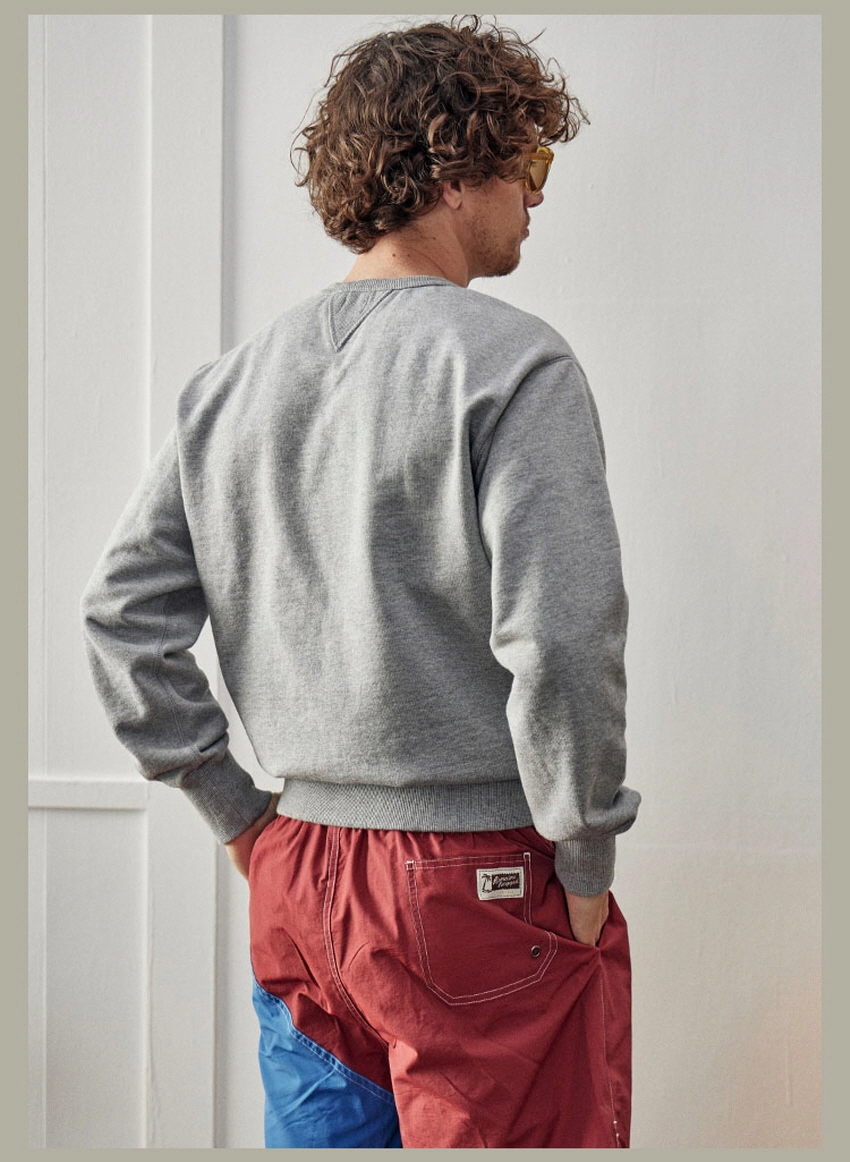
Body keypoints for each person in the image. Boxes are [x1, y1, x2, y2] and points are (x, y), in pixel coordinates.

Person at [81, 16, 641, 1149]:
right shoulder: (512, 363)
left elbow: (121, 616)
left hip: (299, 875)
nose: (538, 192)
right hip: (476, 883)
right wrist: (583, 851)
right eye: (526, 159)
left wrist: (238, 815)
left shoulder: (232, 384)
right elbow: (563, 636)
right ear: (452, 167)